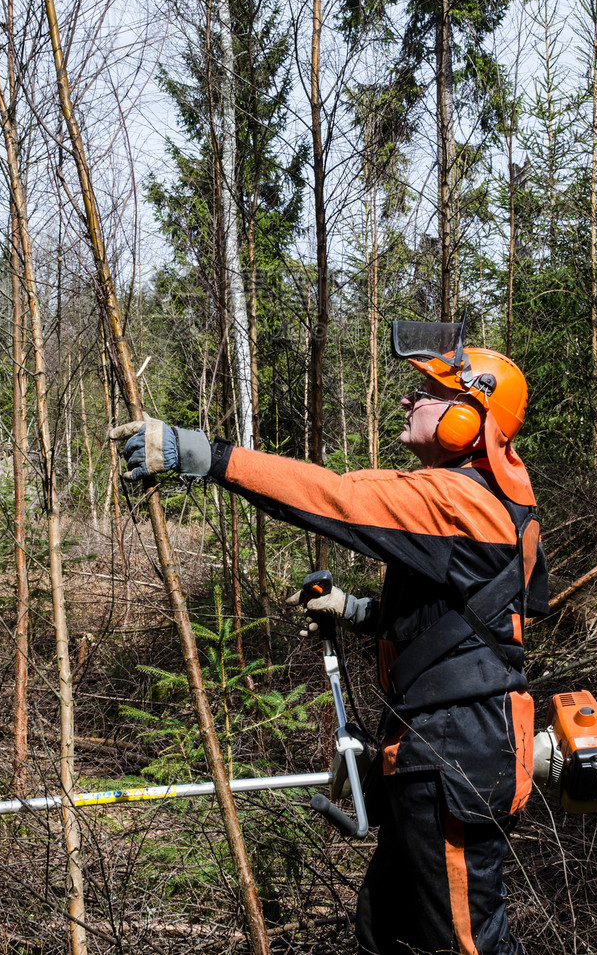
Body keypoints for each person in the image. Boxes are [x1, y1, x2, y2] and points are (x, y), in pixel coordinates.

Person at [112, 317, 548, 955]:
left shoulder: (459, 501)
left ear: (466, 419)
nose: (409, 399)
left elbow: (336, 498)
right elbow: (468, 624)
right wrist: (356, 610)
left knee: (466, 945)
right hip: (443, 744)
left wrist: (207, 456)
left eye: (427, 393)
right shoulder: (488, 501)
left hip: (456, 750)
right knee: (385, 930)